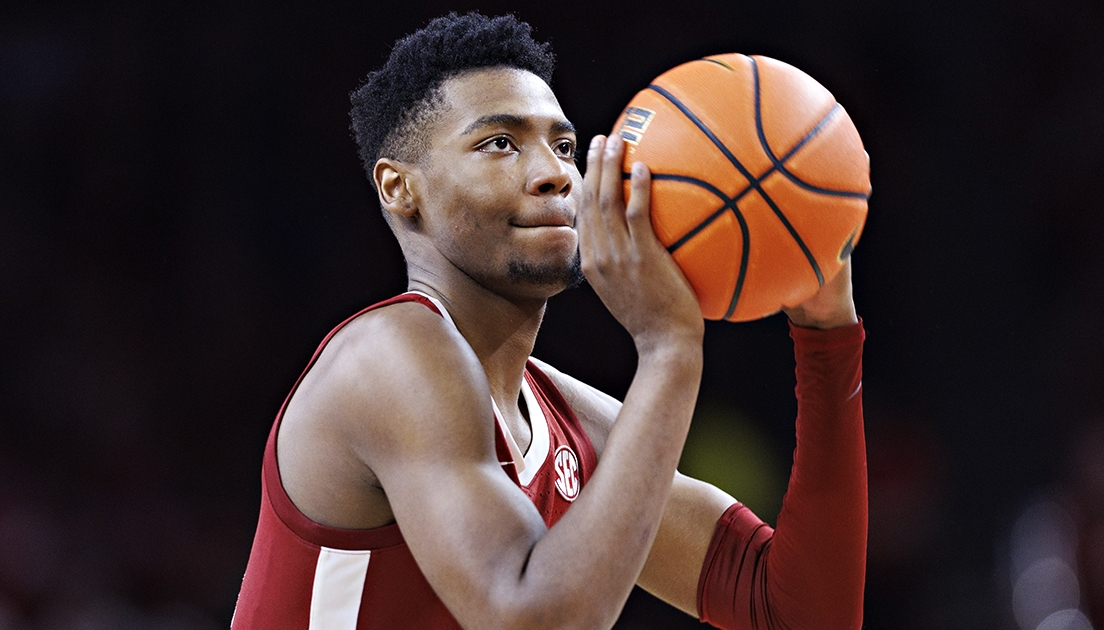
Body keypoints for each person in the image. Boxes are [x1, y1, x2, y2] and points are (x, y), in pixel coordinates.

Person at [232, 12, 867, 630]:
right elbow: (531, 617)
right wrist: (669, 347)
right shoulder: (388, 354)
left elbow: (800, 614)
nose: (554, 174)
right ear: (401, 189)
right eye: (499, 144)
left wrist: (826, 337)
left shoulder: (570, 421)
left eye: (564, 146)